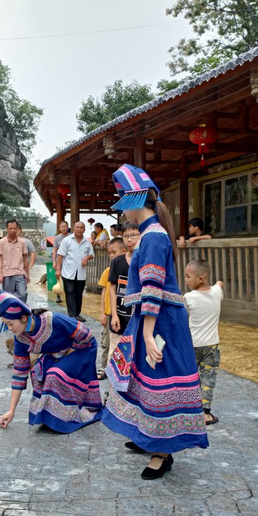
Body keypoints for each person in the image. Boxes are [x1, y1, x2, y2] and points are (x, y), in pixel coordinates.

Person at [102, 164, 208, 480]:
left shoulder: (152, 237)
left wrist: (147, 334)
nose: (123, 212)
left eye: (123, 201)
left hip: (160, 321)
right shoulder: (154, 234)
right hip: (156, 318)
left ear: (134, 201)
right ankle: (149, 436)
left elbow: (152, 288)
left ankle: (162, 451)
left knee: (160, 378)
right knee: (146, 379)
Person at [0, 290, 103, 433]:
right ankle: (49, 416)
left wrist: (65, 354)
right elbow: (19, 373)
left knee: (55, 374)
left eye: (10, 323)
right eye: (6, 325)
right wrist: (11, 410)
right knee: (37, 372)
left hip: (82, 349)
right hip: (58, 353)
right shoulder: (21, 338)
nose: (10, 328)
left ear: (23, 318)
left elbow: (87, 335)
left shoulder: (54, 320)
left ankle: (64, 418)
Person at [183, 260, 224, 425]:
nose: (185, 279)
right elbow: (220, 284)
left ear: (200, 279)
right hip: (212, 345)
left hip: (192, 345)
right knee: (209, 378)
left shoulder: (188, 297)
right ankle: (206, 413)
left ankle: (189, 409)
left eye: (188, 276)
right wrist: (218, 284)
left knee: (190, 377)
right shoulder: (216, 292)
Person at [108, 222, 139, 369]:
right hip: (119, 317)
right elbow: (112, 288)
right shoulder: (117, 261)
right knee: (115, 354)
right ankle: (113, 390)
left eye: (134, 235)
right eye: (126, 236)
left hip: (138, 318)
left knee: (136, 356)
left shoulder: (144, 261)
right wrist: (113, 315)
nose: (130, 239)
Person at [97, 237, 126, 380]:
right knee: (106, 343)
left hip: (121, 313)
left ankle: (119, 369)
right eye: (110, 253)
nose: (112, 255)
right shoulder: (108, 270)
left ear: (124, 251)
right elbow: (104, 292)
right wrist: (102, 312)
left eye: (114, 252)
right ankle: (104, 367)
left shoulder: (127, 270)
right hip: (109, 313)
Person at [55, 221, 94, 322]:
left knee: (79, 293)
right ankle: (72, 315)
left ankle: (77, 314)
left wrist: (86, 258)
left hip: (81, 273)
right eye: (77, 227)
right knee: (70, 292)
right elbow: (60, 255)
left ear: (84, 230)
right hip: (68, 272)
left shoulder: (87, 242)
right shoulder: (67, 240)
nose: (79, 229)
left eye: (81, 228)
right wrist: (58, 269)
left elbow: (91, 254)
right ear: (73, 228)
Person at [0, 220, 29, 302]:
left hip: (20, 273)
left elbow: (25, 258)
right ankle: (9, 314)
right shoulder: (1, 242)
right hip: (7, 273)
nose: (12, 230)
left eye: (14, 228)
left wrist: (27, 273)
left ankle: (21, 314)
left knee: (23, 295)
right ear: (7, 229)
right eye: (10, 228)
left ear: (17, 228)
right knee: (8, 297)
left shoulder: (22, 242)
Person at [52, 221, 70, 303]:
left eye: (65, 226)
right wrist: (54, 262)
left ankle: (68, 295)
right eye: (62, 226)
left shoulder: (71, 237)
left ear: (68, 227)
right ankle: (58, 295)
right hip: (59, 261)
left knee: (69, 278)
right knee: (59, 277)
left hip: (69, 261)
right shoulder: (57, 238)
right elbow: (55, 250)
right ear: (59, 228)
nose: (64, 228)